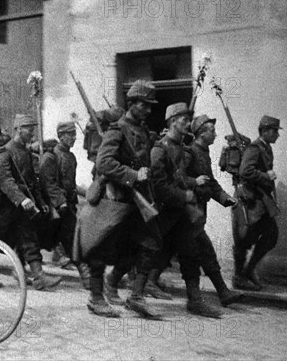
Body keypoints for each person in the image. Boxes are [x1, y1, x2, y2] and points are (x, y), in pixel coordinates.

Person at [93, 80, 159, 318]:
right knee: (107, 249)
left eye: (151, 106)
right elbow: (104, 162)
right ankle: (99, 294)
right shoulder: (117, 130)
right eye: (145, 105)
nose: (149, 110)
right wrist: (132, 174)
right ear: (132, 104)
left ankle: (136, 296)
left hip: (139, 199)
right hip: (119, 200)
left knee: (149, 244)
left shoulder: (143, 131)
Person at [150, 103, 222, 318]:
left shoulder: (182, 148)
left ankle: (194, 300)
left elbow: (182, 177)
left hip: (181, 210)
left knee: (189, 253)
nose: (189, 124)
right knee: (151, 252)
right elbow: (159, 184)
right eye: (185, 120)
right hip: (166, 210)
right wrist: (185, 195)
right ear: (173, 122)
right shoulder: (161, 147)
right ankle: (120, 285)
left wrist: (188, 199)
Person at [0, 114, 62, 291]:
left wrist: (40, 201)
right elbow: (5, 180)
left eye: (33, 128)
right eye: (29, 128)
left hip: (21, 206)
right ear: (18, 129)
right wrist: (21, 199)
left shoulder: (26, 152)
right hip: (4, 206)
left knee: (27, 237)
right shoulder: (5, 152)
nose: (32, 133)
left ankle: (38, 276)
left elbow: (32, 182)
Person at [182, 114, 242, 306]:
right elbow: (177, 177)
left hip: (199, 210)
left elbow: (211, 182)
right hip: (189, 211)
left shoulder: (204, 152)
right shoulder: (189, 152)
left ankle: (143, 283)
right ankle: (219, 293)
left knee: (176, 252)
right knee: (202, 251)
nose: (216, 134)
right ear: (201, 133)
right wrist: (193, 182)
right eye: (212, 130)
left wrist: (226, 198)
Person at [232, 115, 282, 291]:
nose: (277, 134)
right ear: (265, 131)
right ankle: (239, 276)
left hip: (261, 201)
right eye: (274, 131)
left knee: (271, 236)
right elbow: (245, 171)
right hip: (251, 201)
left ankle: (248, 270)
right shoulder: (255, 148)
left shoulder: (266, 148)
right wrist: (265, 176)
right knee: (245, 238)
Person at [39, 121, 90, 288]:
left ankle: (85, 274)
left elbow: (71, 184)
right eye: (70, 134)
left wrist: (87, 194)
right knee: (40, 238)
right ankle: (27, 269)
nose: (74, 138)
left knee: (72, 238)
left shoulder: (71, 157)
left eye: (74, 134)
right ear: (60, 136)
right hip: (55, 207)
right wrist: (60, 202)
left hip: (68, 206)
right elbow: (48, 183)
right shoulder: (52, 156)